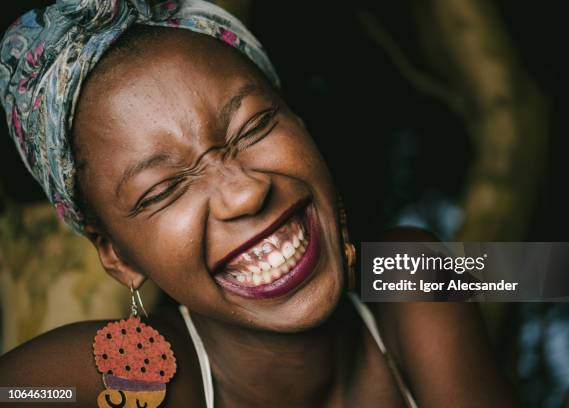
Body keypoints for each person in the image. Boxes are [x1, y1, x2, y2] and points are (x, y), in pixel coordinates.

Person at [0, 1, 518, 406]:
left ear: (300, 123)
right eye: (163, 189)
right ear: (117, 255)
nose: (245, 192)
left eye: (254, 126)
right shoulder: (114, 378)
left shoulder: (410, 277)